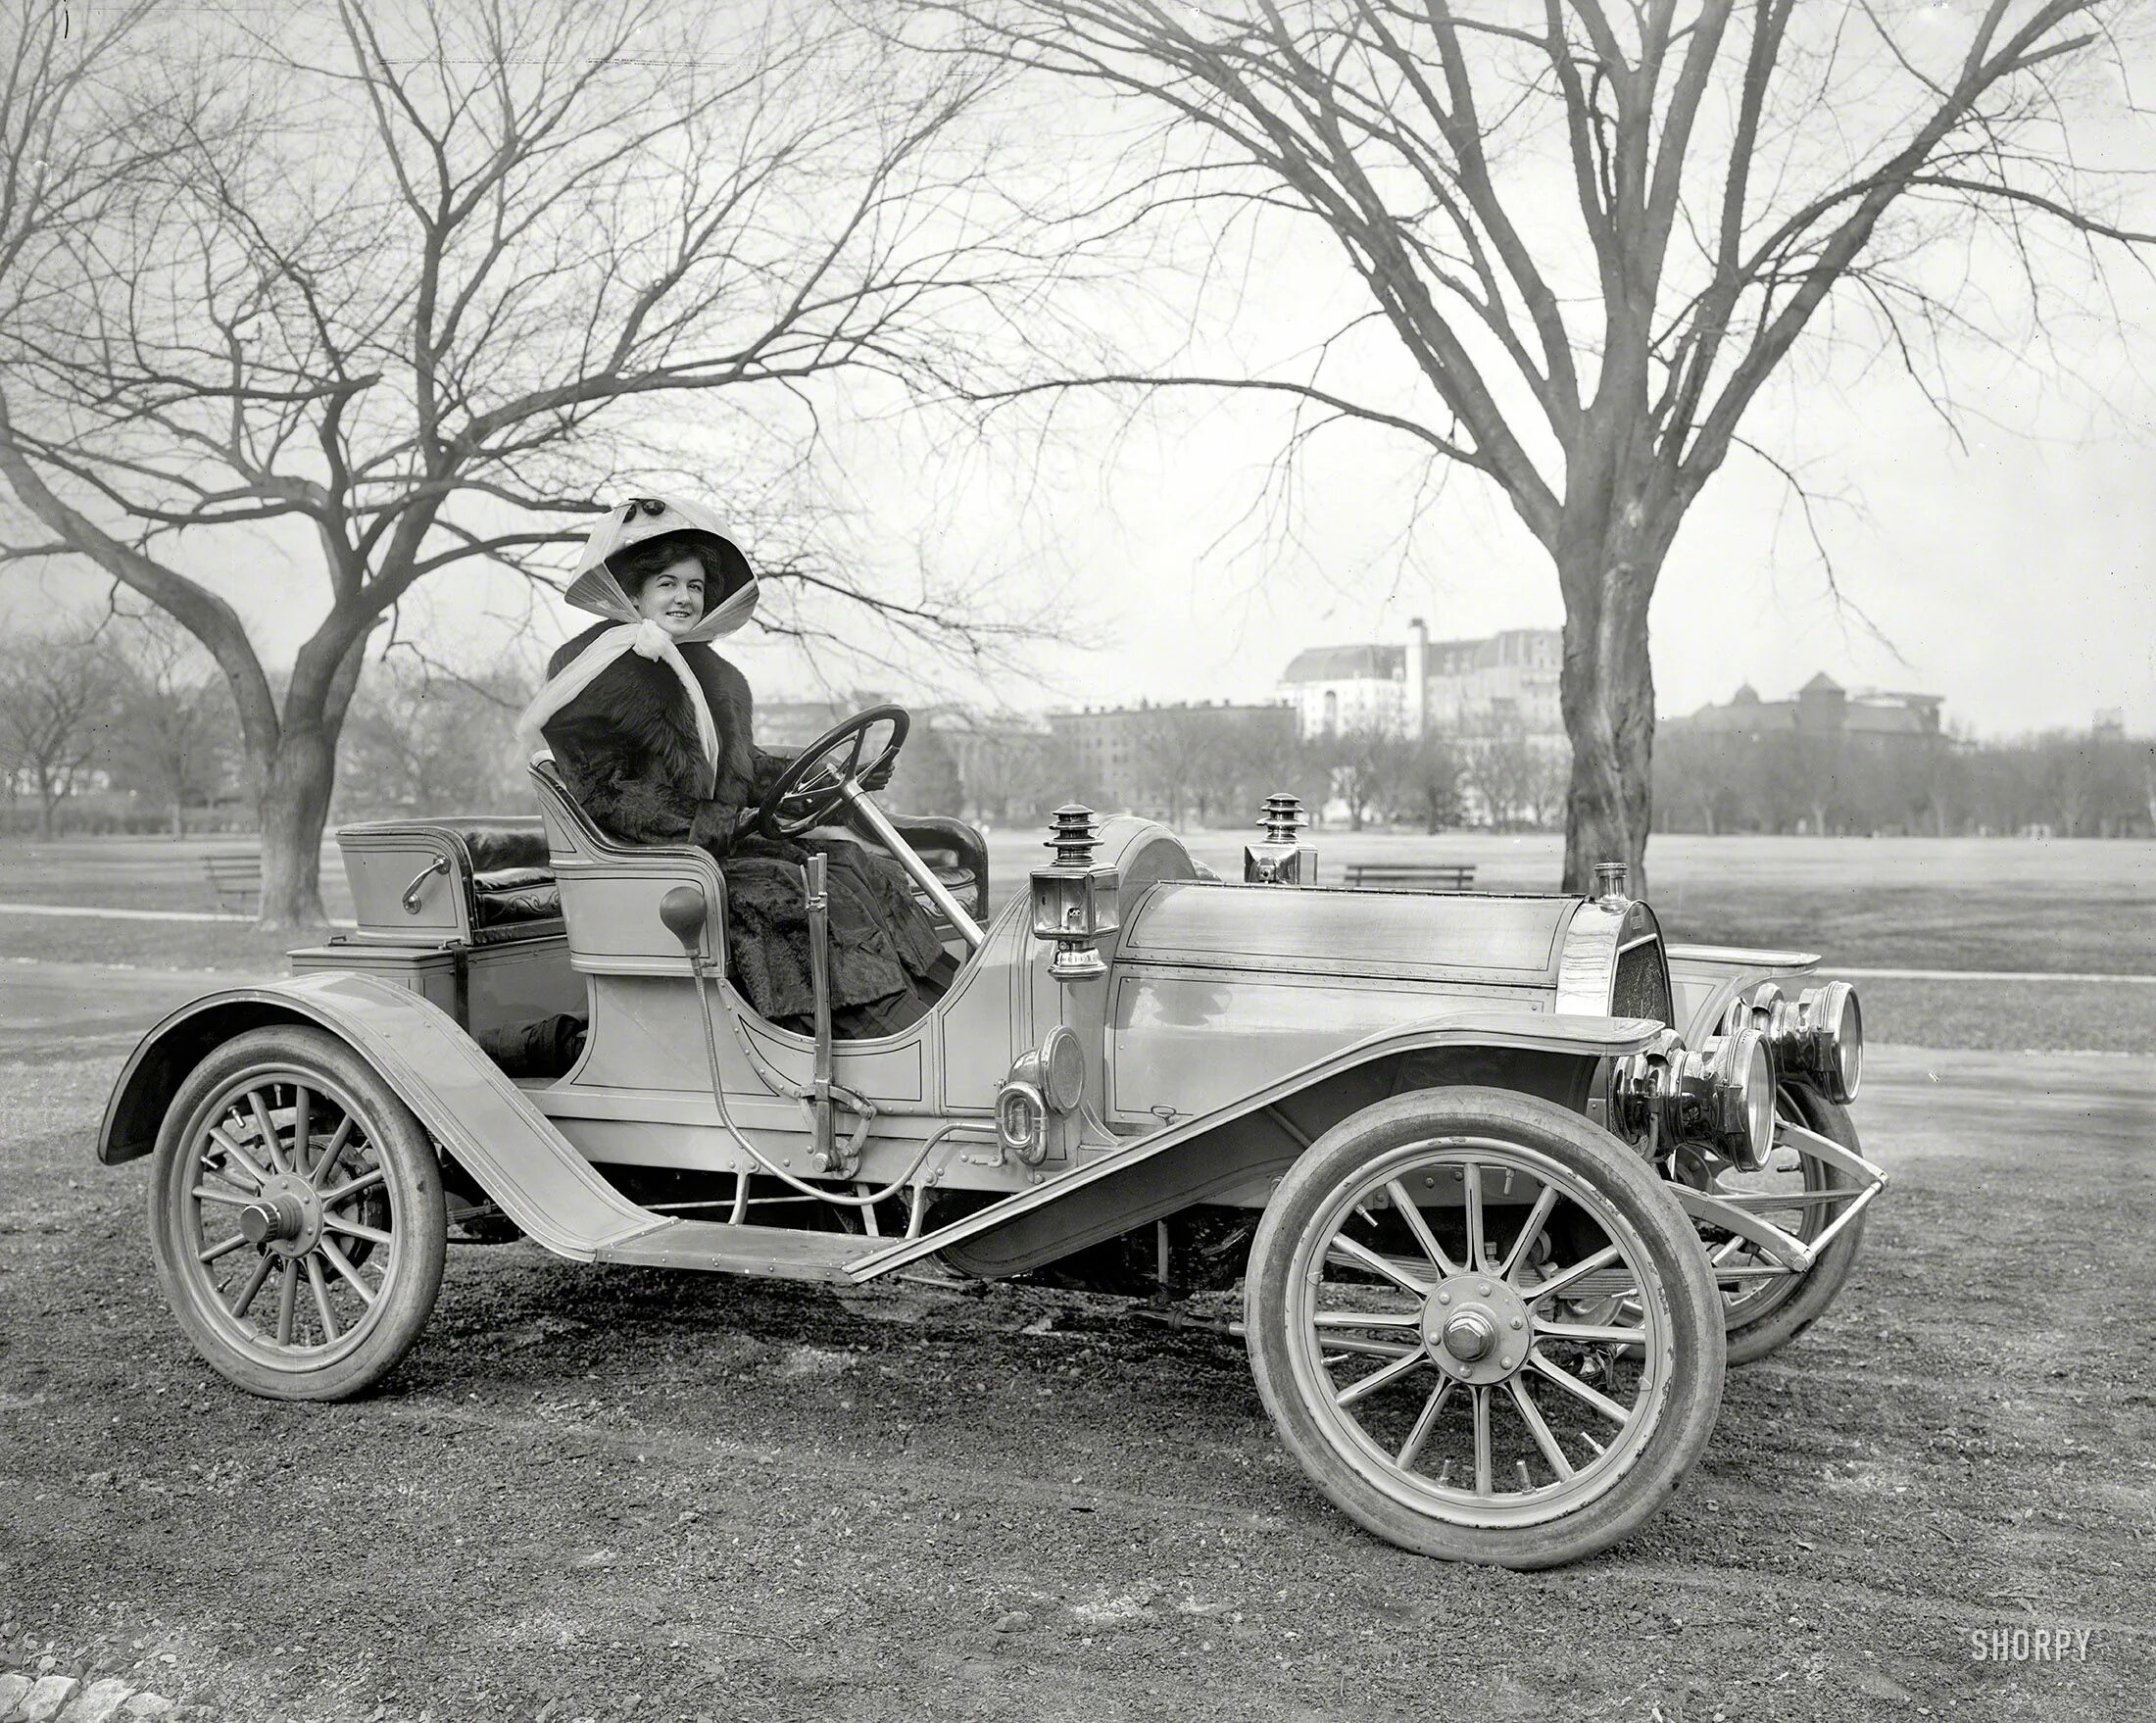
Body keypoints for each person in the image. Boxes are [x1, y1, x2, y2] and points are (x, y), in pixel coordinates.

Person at [517, 494, 946, 1038]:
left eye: (694, 587)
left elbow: (745, 770)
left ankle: (920, 1016)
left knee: (853, 863)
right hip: (655, 859)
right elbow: (608, 792)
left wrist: (834, 779)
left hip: (714, 847)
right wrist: (717, 822)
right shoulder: (590, 671)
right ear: (636, 592)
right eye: (668, 584)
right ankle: (845, 1040)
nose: (684, 598)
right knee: (782, 887)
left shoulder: (712, 673)